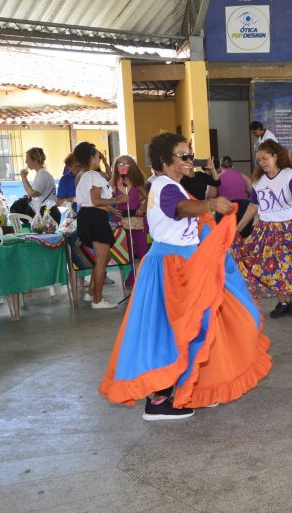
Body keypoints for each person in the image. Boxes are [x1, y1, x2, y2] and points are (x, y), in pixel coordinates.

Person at [100, 132, 271, 421]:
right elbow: (179, 210)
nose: (191, 160)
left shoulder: (173, 185)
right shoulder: (166, 187)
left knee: (199, 326)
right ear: (166, 161)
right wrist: (210, 206)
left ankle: (188, 389)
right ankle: (159, 399)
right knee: (179, 331)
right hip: (173, 267)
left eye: (190, 155)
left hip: (184, 263)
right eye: (185, 156)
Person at [235, 140, 292, 317]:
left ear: (275, 156)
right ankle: (282, 302)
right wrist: (238, 227)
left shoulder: (289, 175)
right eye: (259, 160)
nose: (262, 162)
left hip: (291, 228)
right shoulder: (259, 181)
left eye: (265, 158)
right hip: (267, 230)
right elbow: (253, 206)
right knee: (272, 267)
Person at [74, 142, 125, 309]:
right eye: (98, 157)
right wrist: (116, 201)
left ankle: (91, 292)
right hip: (95, 218)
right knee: (102, 260)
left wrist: (109, 207)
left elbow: (90, 202)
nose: (99, 159)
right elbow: (96, 200)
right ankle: (98, 300)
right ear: (91, 158)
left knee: (102, 258)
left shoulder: (82, 177)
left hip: (86, 216)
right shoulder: (94, 176)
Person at [111, 155, 149, 289]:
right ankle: (130, 278)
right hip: (121, 221)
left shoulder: (137, 182)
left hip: (137, 220)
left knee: (142, 250)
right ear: (116, 166)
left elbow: (148, 198)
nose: (123, 166)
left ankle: (144, 279)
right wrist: (114, 206)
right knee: (126, 252)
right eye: (120, 164)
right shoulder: (112, 184)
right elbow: (104, 202)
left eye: (126, 164)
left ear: (131, 166)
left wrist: (143, 206)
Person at [20, 147, 60, 223]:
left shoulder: (42, 173)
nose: (26, 162)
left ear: (35, 160)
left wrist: (24, 178)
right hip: (48, 211)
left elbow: (32, 193)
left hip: (48, 212)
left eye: (28, 159)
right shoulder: (42, 172)